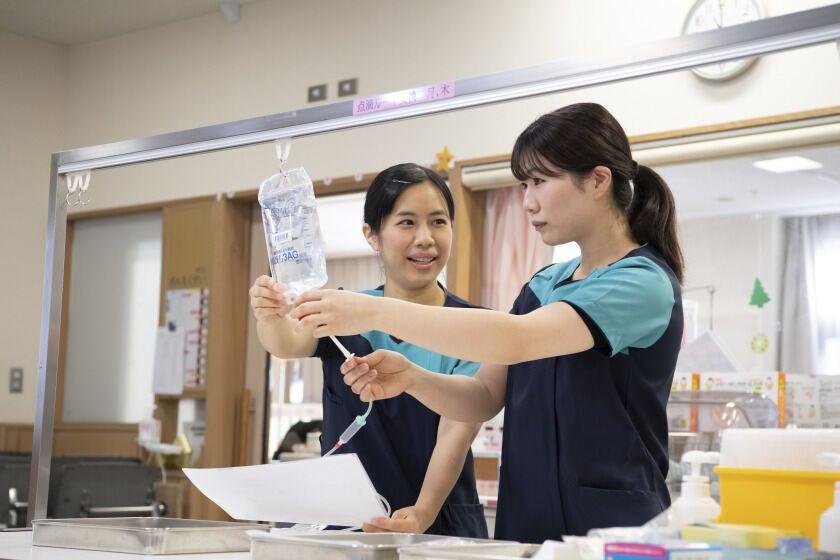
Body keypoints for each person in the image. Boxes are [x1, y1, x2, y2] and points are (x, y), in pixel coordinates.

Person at [291, 103, 685, 542]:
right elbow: (483, 396)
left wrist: (373, 309)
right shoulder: (546, 284)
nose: (528, 201)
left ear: (597, 180)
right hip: (527, 526)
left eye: (539, 181)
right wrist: (412, 378)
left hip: (613, 531)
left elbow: (514, 340)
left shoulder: (641, 282)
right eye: (523, 184)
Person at [250, 163, 487, 537]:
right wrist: (270, 316)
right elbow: (288, 343)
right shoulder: (344, 309)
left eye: (439, 222)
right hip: (348, 524)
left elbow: (457, 430)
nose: (426, 238)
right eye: (407, 222)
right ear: (372, 235)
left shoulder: (473, 324)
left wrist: (422, 513)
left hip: (439, 523)